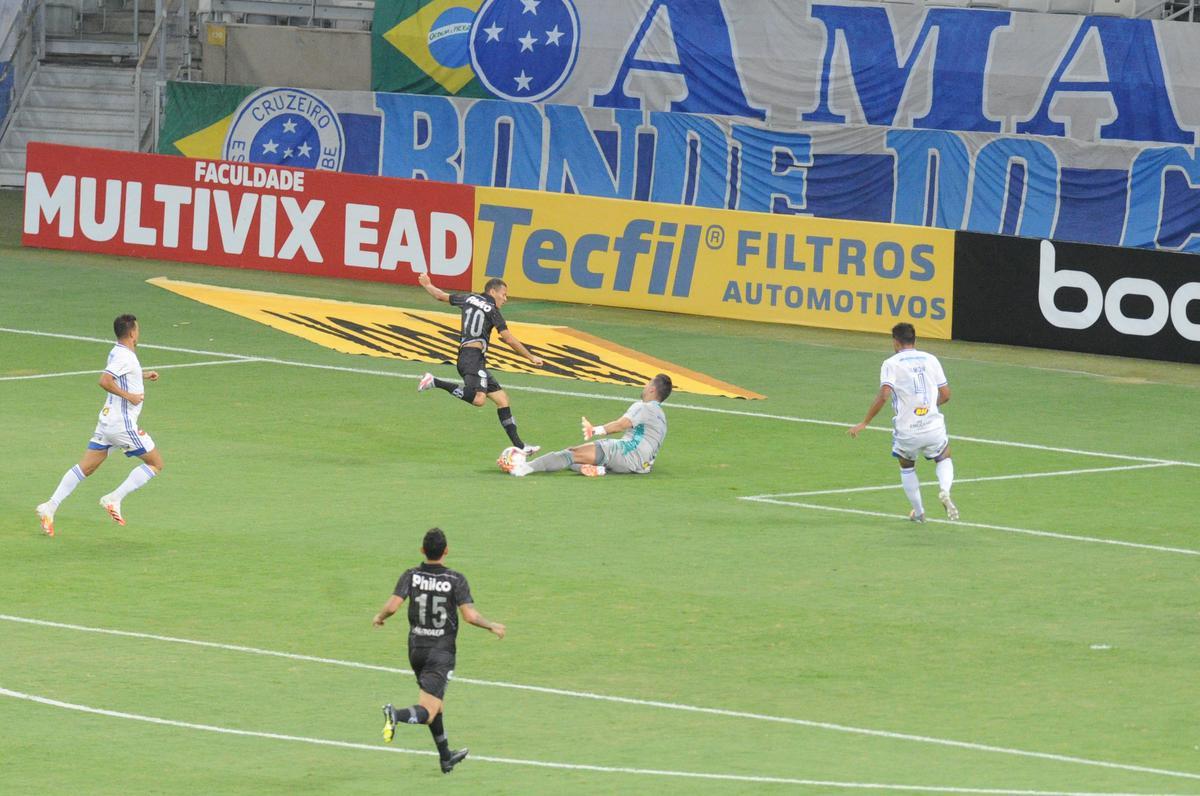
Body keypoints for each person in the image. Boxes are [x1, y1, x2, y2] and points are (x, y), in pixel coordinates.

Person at [373, 527, 506, 775]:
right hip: (440, 653)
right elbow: (469, 616)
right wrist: (491, 626)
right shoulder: (455, 579)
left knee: (435, 703)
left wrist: (380, 617)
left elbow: (392, 606)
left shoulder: (411, 575)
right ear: (446, 551)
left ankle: (446, 757)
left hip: (416, 650)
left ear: (422, 550)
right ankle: (395, 715)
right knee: (428, 710)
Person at [35, 314, 164, 536]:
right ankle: (114, 498)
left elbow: (122, 375)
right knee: (155, 463)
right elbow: (105, 380)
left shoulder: (117, 352)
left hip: (107, 421)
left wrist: (142, 375)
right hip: (122, 424)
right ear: (132, 332)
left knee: (86, 467)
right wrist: (130, 397)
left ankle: (50, 506)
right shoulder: (126, 356)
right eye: (137, 329)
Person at [415, 274, 544, 453]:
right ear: (492, 292)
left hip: (471, 358)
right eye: (504, 294)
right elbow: (508, 339)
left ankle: (520, 446)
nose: (505, 299)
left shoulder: (468, 298)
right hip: (472, 358)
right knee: (478, 399)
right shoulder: (492, 310)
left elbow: (440, 296)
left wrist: (427, 284)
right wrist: (530, 357)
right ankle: (434, 381)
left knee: (502, 400)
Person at [847, 323, 958, 522]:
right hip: (933, 425)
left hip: (908, 430)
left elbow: (884, 395)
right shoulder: (931, 359)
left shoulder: (891, 363)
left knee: (907, 467)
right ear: (914, 340)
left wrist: (865, 422)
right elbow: (946, 394)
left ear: (896, 342)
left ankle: (919, 512)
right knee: (943, 457)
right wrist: (928, 407)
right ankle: (945, 490)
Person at [504, 374, 672, 477]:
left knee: (570, 454)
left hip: (627, 454)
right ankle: (598, 469)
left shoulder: (644, 407)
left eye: (648, 383)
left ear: (652, 389)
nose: (645, 386)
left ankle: (523, 468)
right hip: (642, 465)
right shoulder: (661, 416)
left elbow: (621, 425)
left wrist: (595, 430)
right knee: (579, 459)